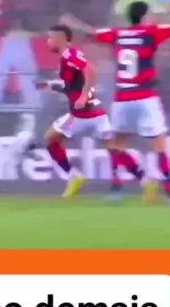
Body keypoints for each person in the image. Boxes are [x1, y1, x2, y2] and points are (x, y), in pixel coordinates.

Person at [61, 2, 170, 205]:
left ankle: (116, 188)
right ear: (144, 16)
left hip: (123, 99)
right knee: (159, 143)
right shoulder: (151, 32)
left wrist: (74, 23)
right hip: (145, 96)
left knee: (117, 144)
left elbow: (92, 34)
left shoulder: (118, 34)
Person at [34, 24, 113, 199]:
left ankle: (74, 176)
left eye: (50, 38)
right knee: (113, 148)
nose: (48, 42)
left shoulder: (70, 54)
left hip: (83, 113)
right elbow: (71, 87)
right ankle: (142, 176)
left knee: (51, 139)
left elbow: (92, 72)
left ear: (60, 38)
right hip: (90, 111)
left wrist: (83, 96)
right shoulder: (67, 57)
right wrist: (50, 85)